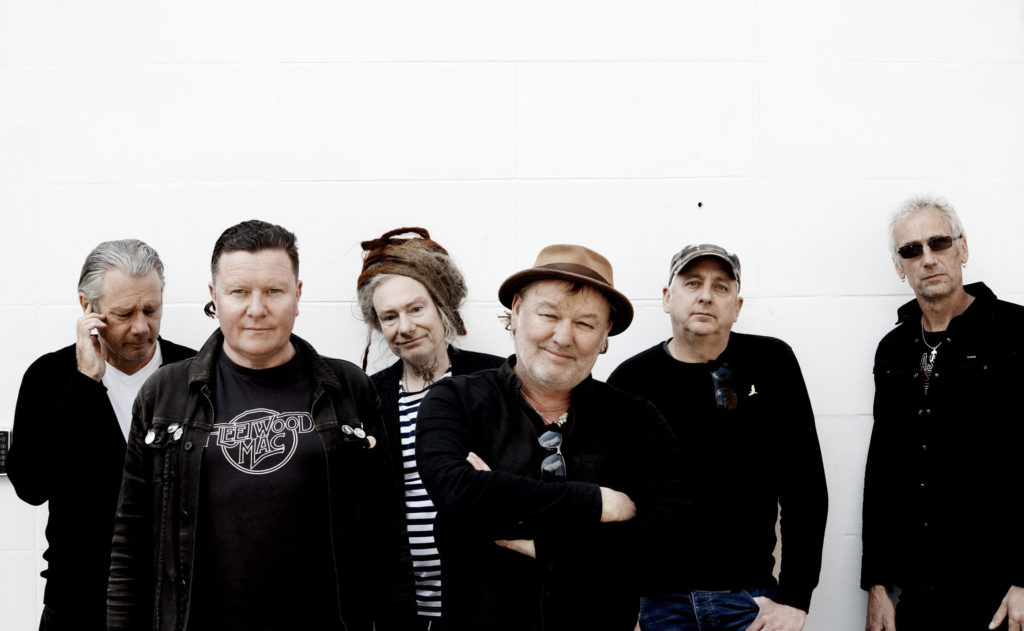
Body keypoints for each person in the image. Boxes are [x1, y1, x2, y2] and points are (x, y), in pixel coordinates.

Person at [106, 220, 413, 631]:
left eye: (273, 291)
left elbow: (387, 529)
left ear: (297, 295)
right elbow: (131, 539)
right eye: (239, 292)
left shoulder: (348, 388)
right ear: (215, 297)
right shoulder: (165, 394)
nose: (256, 309)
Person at [415, 244, 683, 631]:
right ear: (517, 311)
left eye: (586, 324)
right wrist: (597, 503)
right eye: (549, 315)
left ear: (605, 333)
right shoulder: (456, 400)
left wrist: (535, 539)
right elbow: (455, 492)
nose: (562, 336)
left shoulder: (636, 419)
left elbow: (667, 539)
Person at [608, 243, 828, 631]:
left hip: (750, 602)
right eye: (693, 283)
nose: (706, 295)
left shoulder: (772, 363)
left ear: (737, 306)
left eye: (721, 286)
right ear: (667, 298)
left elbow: (804, 487)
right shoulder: (632, 380)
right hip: (656, 605)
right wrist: (620, 602)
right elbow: (613, 501)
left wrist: (795, 599)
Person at [6, 239, 195, 631]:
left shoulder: (193, 372)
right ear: (87, 307)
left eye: (151, 310)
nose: (141, 327)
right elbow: (31, 486)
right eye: (124, 313)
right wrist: (85, 383)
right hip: (79, 600)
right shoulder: (49, 377)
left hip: (180, 603)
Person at [862, 196, 1024, 631]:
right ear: (899, 267)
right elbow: (883, 468)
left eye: (939, 243)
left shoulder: (1016, 333)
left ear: (962, 249)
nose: (928, 259)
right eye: (911, 250)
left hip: (1002, 592)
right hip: (917, 592)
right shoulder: (894, 350)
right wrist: (877, 583)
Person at [357, 227, 504, 630]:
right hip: (404, 608)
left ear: (443, 306)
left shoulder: (495, 379)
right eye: (390, 317)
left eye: (416, 309)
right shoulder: (369, 397)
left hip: (486, 602)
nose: (404, 327)